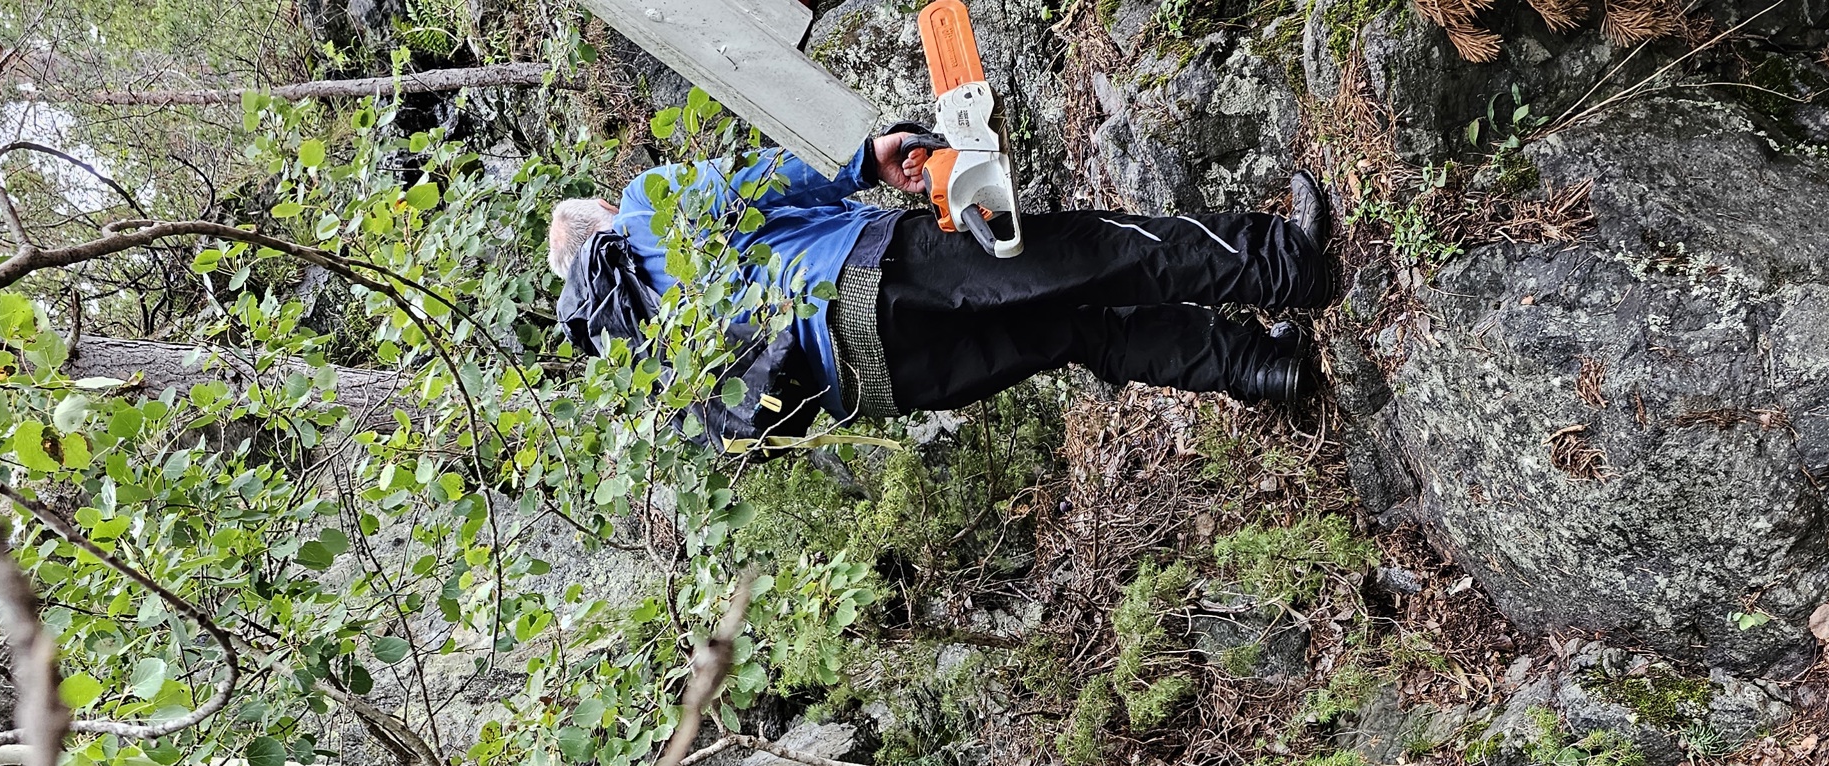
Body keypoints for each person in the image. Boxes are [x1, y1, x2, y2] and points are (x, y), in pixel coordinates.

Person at [546, 131, 1335, 434]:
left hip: (886, 383)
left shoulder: (641, 364)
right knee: (1094, 254)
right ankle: (1284, 262)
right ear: (606, 218)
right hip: (869, 279)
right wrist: (863, 162)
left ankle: (1264, 368)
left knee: (1079, 331)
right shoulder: (647, 211)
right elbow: (765, 181)